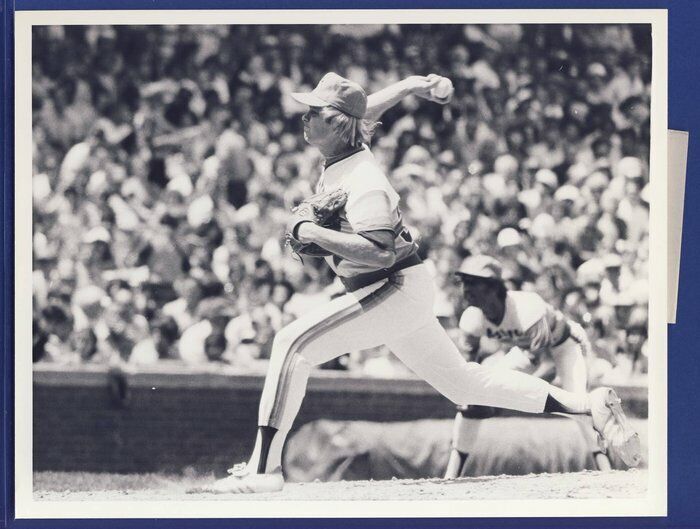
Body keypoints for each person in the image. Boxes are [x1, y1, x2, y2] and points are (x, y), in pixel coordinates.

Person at [195, 72, 640, 494]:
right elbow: (364, 110)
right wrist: (412, 85)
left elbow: (379, 249)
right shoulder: (346, 148)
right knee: (465, 386)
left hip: (392, 285)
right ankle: (589, 405)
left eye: (313, 111)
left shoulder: (364, 180)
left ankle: (264, 468)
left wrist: (311, 233)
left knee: (291, 344)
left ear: (334, 124)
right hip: (398, 287)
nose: (304, 117)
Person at [443, 255, 615, 479]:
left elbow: (547, 367)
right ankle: (452, 473)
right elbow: (469, 371)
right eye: (463, 282)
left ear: (493, 287)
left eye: (473, 282)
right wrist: (478, 398)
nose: (465, 289)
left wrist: (499, 403)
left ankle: (609, 470)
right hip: (527, 353)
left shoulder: (527, 306)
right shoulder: (471, 317)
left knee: (577, 403)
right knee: (472, 399)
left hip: (565, 346)